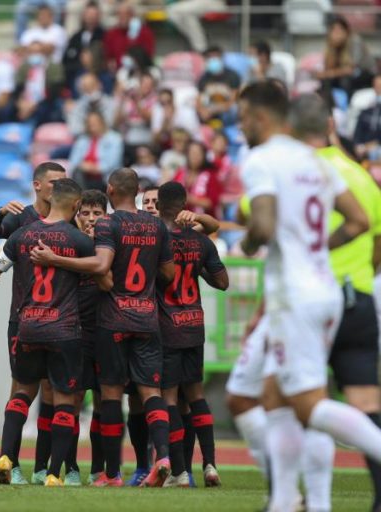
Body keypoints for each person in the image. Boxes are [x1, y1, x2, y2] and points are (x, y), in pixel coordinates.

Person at [227, 93, 381, 512]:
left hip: (294, 296)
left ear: (262, 116)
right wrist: (315, 249)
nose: (240, 127)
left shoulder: (263, 160)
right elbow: (360, 222)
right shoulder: (320, 163)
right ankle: (286, 503)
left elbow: (261, 222)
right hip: (326, 288)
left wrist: (248, 243)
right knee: (276, 400)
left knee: (307, 403)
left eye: (243, 118)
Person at [30, 168, 176, 488]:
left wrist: (55, 258)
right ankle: (163, 457)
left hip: (113, 319)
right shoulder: (155, 225)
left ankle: (110, 474)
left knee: (109, 396)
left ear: (110, 190)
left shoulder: (109, 224)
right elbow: (168, 273)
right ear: (137, 191)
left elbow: (101, 268)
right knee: (151, 392)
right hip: (148, 318)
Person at [0, 178, 95, 487]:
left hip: (28, 326)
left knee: (22, 392)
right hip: (64, 329)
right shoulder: (78, 239)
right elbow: (101, 270)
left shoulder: (21, 235)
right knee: (64, 399)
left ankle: (7, 456)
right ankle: (52, 473)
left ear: (50, 201)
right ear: (76, 206)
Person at [0, 161, 68, 486]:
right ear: (37, 185)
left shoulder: (66, 217)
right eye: (53, 182)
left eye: (63, 181)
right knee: (21, 388)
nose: (58, 186)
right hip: (23, 317)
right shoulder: (22, 218)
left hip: (53, 319)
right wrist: (1, 213)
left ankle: (41, 466)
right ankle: (12, 462)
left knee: (48, 390)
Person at [155, 182, 228, 488]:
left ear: (158, 206)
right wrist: (196, 268)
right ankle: (210, 464)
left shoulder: (157, 240)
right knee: (196, 396)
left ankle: (180, 472)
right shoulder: (201, 242)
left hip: (166, 326)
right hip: (194, 324)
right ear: (185, 203)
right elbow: (222, 282)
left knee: (169, 398)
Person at [74, 188, 109, 484]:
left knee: (103, 401)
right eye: (85, 213)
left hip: (105, 331)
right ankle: (69, 466)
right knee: (70, 400)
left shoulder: (109, 246)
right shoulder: (70, 244)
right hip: (73, 331)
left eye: (97, 213)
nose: (90, 219)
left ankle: (101, 467)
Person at [315, 16, 376, 98]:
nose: (336, 33)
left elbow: (351, 69)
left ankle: (348, 108)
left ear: (346, 31)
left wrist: (328, 74)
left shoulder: (354, 41)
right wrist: (333, 47)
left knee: (345, 80)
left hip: (364, 74)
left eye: (339, 29)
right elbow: (329, 67)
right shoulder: (331, 46)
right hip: (344, 75)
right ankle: (328, 105)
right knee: (325, 82)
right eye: (333, 30)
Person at [12, 40, 65, 126]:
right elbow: (18, 88)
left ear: (44, 53)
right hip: (26, 101)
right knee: (9, 109)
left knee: (44, 111)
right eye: (31, 52)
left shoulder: (54, 67)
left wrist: (34, 105)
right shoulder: (24, 67)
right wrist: (20, 103)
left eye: (37, 52)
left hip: (46, 100)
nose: (35, 55)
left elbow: (55, 90)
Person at [69, 111, 123, 192]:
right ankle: (83, 199)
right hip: (84, 177)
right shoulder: (82, 140)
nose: (92, 125)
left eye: (95, 122)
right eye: (89, 123)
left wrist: (92, 168)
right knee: (77, 172)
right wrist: (83, 166)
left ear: (102, 122)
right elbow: (73, 162)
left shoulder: (115, 139)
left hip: (104, 178)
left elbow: (112, 163)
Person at [63, 1, 106, 94]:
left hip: (98, 76)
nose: (91, 17)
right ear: (83, 15)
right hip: (77, 76)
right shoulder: (75, 37)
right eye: (88, 14)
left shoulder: (104, 36)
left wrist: (93, 62)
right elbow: (67, 61)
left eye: (94, 14)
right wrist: (81, 62)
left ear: (99, 16)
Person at [173, 140, 221, 218]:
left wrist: (189, 199)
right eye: (192, 153)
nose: (195, 157)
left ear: (204, 156)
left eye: (198, 154)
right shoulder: (180, 173)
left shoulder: (211, 176)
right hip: (180, 220)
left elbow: (212, 203)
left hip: (204, 223)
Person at [103, 1, 155, 71]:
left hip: (140, 71)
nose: (122, 17)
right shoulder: (111, 34)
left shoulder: (144, 32)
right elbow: (108, 56)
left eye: (126, 14)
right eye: (119, 14)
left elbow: (148, 55)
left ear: (132, 15)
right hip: (117, 72)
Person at [197, 46, 241, 128]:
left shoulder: (232, 76)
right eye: (210, 57)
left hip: (226, 110)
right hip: (209, 109)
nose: (213, 60)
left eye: (215, 57)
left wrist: (215, 110)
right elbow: (199, 99)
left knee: (234, 109)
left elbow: (233, 100)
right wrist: (201, 110)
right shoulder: (204, 78)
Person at [352, 74, 381, 162]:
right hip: (363, 146)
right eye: (376, 86)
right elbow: (358, 128)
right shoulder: (366, 104)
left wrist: (376, 143)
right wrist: (358, 145)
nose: (378, 89)